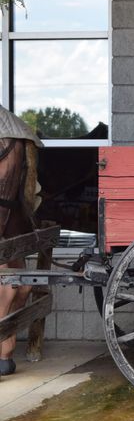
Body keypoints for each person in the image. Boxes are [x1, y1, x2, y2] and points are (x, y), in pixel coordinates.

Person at [0, 107, 42, 376]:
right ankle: (6, 352)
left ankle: (4, 353)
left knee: (9, 280)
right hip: (14, 230)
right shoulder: (15, 128)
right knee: (15, 278)